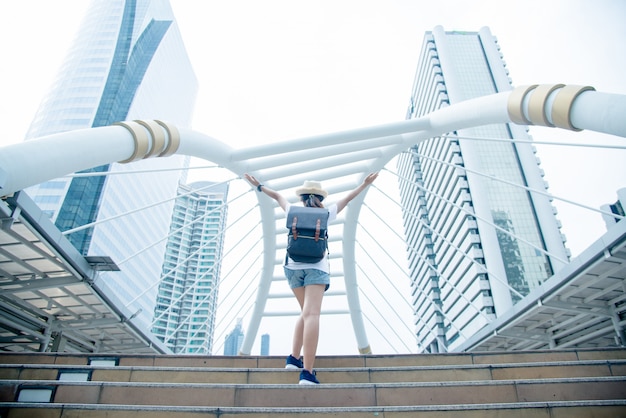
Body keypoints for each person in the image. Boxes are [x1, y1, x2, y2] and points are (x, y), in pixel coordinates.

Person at [244, 172, 379, 384]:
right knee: (312, 315)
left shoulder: (292, 210)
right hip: (316, 267)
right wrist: (364, 184)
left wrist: (259, 186)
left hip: (292, 267)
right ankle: (307, 373)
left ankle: (293, 358)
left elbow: (278, 196)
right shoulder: (325, 213)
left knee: (305, 313)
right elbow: (348, 198)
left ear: (301, 197)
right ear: (321, 198)